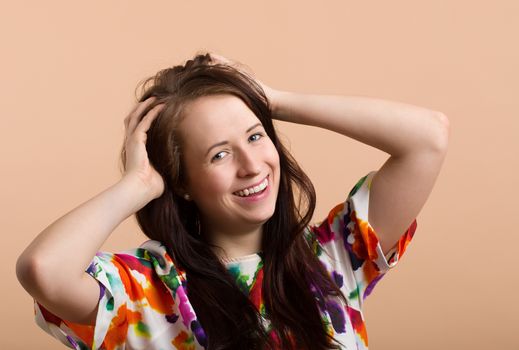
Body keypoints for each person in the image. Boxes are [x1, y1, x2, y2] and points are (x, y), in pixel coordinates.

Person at [16, 52, 449, 350]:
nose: (251, 165)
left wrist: (273, 100)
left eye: (256, 136)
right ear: (181, 182)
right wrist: (139, 184)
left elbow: (428, 138)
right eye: (219, 154)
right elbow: (43, 270)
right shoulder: (143, 290)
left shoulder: (332, 259)